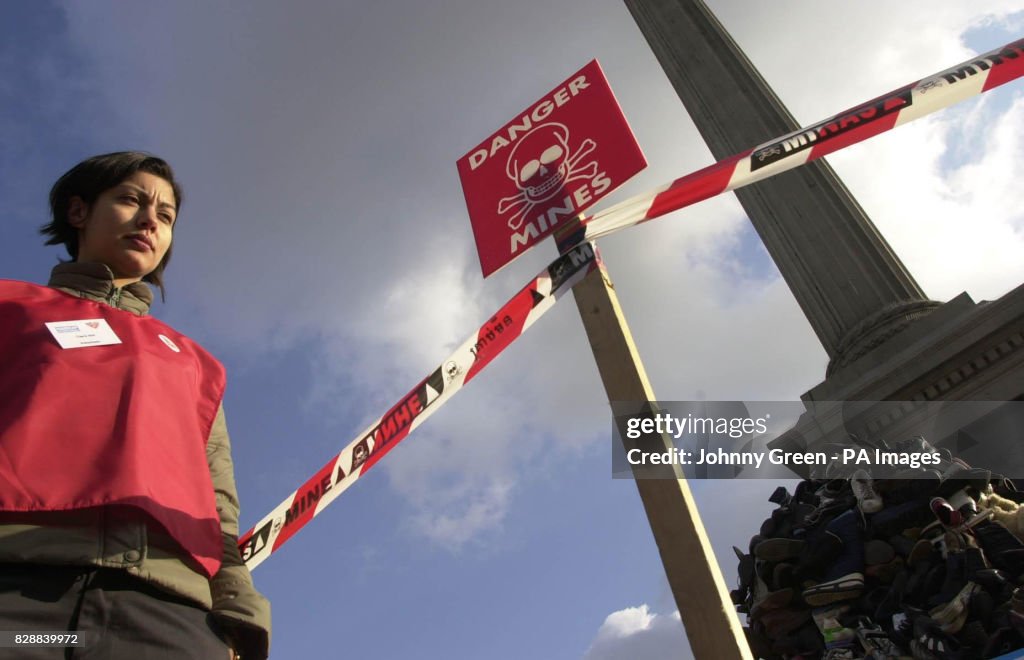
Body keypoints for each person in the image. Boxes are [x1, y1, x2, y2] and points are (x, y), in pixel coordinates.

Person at [0, 152, 271, 659]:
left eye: (166, 217)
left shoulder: (196, 364)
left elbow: (220, 508)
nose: (151, 220)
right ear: (78, 212)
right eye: (131, 200)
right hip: (20, 606)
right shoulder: (9, 306)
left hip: (167, 620)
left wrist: (238, 620)